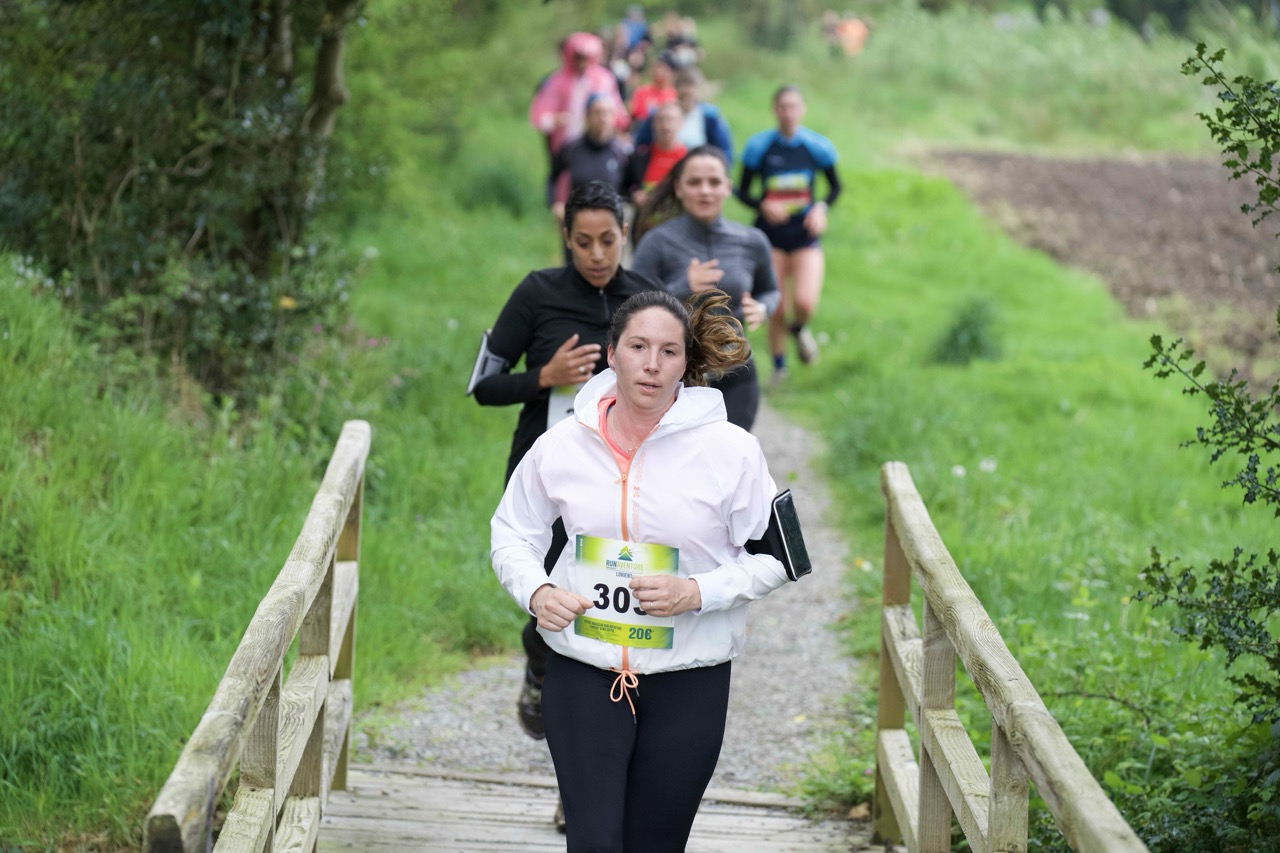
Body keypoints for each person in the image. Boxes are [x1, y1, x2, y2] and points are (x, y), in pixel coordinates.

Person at [491, 287, 791, 852]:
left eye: (669, 351)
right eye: (638, 347)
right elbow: (512, 531)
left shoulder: (732, 451)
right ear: (613, 354)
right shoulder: (562, 444)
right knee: (594, 842)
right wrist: (537, 590)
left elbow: (779, 558)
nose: (652, 364)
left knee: (655, 843)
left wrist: (696, 591)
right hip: (583, 668)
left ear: (686, 362)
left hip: (689, 680)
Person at [472, 182, 659, 765]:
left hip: (626, 481)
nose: (597, 255)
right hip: (548, 479)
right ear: (566, 239)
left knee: (610, 616)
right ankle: (537, 664)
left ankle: (586, 771)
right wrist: (544, 377)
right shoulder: (537, 292)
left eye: (607, 240)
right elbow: (484, 386)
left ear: (625, 234)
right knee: (552, 602)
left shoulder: (648, 298)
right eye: (583, 242)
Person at [631, 145, 778, 431]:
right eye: (695, 182)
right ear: (679, 188)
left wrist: (762, 307)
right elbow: (630, 307)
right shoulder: (657, 242)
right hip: (672, 378)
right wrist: (682, 287)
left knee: (730, 455)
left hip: (735, 371)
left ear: (728, 187)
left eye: (714, 182)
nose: (705, 191)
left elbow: (770, 291)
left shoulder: (752, 241)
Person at [737, 85, 841, 380]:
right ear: (775, 110)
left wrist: (820, 209)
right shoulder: (759, 147)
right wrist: (763, 203)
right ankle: (779, 367)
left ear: (802, 109)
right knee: (777, 307)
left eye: (794, 106)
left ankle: (799, 329)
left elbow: (835, 187)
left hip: (804, 233)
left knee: (805, 303)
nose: (788, 113)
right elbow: (741, 191)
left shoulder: (816, 146)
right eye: (783, 107)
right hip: (770, 235)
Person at [529, 33, 629, 207]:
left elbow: (618, 112)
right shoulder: (557, 81)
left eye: (586, 58)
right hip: (568, 142)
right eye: (578, 58)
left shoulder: (603, 78)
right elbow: (541, 114)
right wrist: (554, 120)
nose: (581, 63)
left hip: (600, 141)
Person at [631, 66, 734, 167]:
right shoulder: (661, 114)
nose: (687, 102)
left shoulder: (709, 117)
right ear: (676, 91)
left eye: (691, 96)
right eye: (683, 96)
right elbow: (640, 143)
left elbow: (724, 150)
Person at [550, 94, 630, 223]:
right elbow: (552, 177)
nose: (603, 118)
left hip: (610, 224)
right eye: (597, 113)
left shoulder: (621, 152)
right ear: (587, 115)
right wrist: (555, 203)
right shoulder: (572, 148)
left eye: (608, 113)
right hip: (577, 221)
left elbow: (630, 187)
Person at [625, 100, 686, 208]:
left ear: (681, 123)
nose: (666, 126)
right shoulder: (639, 156)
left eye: (671, 120)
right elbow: (625, 187)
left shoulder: (688, 159)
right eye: (661, 120)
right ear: (653, 124)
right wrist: (634, 195)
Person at [627, 49, 678, 124]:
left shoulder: (674, 95)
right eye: (657, 66)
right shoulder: (641, 91)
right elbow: (634, 116)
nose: (658, 71)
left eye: (664, 68)